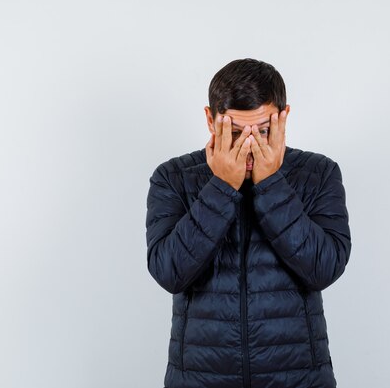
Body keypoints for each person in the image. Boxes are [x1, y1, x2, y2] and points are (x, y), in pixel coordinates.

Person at [145, 58, 351, 388]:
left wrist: (271, 184)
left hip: (299, 378)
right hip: (199, 379)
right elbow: (170, 272)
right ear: (211, 121)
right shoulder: (172, 178)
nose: (250, 146)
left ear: (283, 118)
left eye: (264, 132)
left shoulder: (319, 174)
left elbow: (324, 269)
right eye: (237, 133)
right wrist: (222, 187)